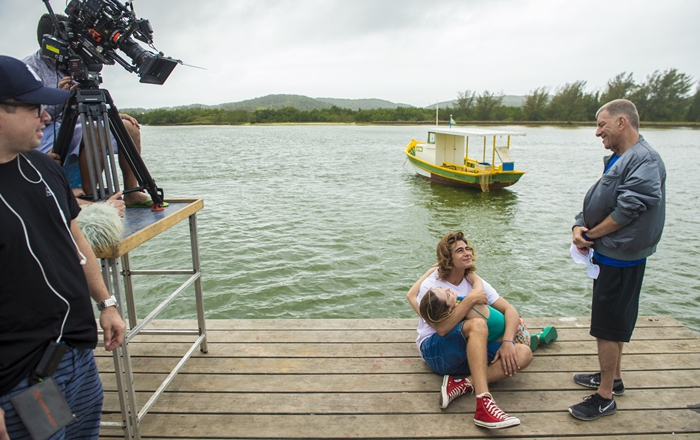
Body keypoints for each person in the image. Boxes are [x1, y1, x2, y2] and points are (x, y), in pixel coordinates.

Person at [0, 55, 126, 439]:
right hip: (21, 379)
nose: (46, 117)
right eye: (34, 107)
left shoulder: (44, 168)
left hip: (74, 355)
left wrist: (106, 304)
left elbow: (75, 238)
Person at [569, 99, 666, 421]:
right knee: (614, 321)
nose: (598, 132)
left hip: (620, 258)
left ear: (622, 122)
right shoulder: (623, 157)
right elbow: (605, 198)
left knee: (608, 327)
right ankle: (614, 378)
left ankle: (604, 396)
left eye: (602, 125)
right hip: (611, 253)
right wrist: (579, 224)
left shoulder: (645, 160)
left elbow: (627, 210)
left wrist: (591, 234)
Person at [23, 13, 152, 207]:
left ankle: (132, 191)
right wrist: (58, 96)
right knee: (94, 130)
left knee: (129, 127)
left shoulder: (74, 62)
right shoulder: (29, 68)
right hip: (46, 128)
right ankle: (94, 195)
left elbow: (89, 95)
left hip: (77, 123)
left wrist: (111, 114)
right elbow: (29, 114)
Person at [406, 231, 533, 429]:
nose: (467, 253)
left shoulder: (474, 282)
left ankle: (462, 384)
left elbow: (510, 310)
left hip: (464, 353)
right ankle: (483, 404)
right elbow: (441, 328)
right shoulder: (433, 285)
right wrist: (471, 299)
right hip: (436, 351)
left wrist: (507, 342)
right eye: (459, 250)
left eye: (467, 248)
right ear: (448, 259)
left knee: (523, 353)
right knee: (477, 324)